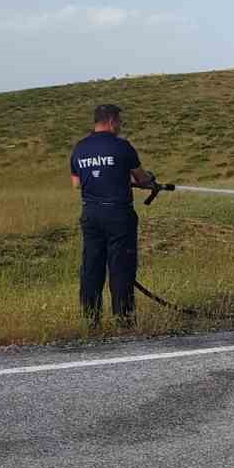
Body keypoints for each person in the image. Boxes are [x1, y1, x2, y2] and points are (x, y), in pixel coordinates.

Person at [69, 103, 155, 326]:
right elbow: (141, 177)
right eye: (119, 121)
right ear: (111, 121)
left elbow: (76, 184)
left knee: (91, 266)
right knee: (121, 266)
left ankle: (90, 319)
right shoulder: (121, 146)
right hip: (118, 215)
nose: (120, 125)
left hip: (91, 215)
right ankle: (124, 319)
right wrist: (149, 181)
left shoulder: (80, 148)